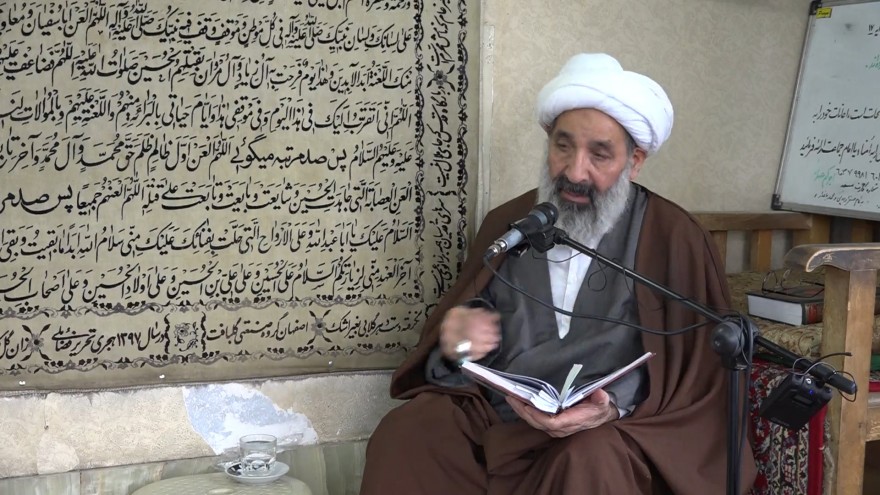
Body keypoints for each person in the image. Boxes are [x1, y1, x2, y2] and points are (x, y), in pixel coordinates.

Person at [359, 53, 756, 495]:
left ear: (635, 161)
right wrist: (459, 341)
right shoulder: (508, 222)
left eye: (599, 154)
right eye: (563, 146)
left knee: (590, 457)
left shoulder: (674, 236)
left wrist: (613, 407)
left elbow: (697, 377)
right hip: (500, 420)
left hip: (611, 429)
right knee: (411, 430)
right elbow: (464, 336)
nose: (574, 171)